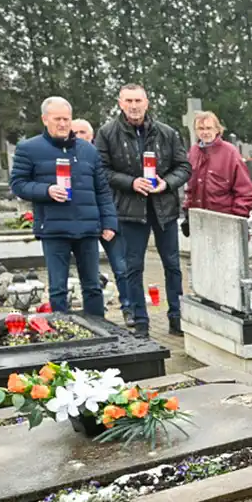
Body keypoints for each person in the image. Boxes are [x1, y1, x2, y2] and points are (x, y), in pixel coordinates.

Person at [95, 83, 191, 336]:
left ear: (147, 103)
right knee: (132, 268)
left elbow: (183, 167)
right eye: (129, 101)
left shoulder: (167, 133)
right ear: (120, 103)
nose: (134, 106)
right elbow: (102, 170)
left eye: (138, 101)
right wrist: (131, 182)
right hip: (129, 210)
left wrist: (166, 183)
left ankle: (177, 318)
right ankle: (140, 321)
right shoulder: (107, 133)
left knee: (172, 265)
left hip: (164, 209)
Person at [8, 96, 117, 317]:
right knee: (58, 288)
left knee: (93, 286)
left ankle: (99, 329)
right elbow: (18, 184)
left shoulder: (88, 150)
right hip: (54, 228)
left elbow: (102, 190)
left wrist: (109, 222)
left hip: (87, 227)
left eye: (66, 119)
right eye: (57, 119)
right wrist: (46, 190)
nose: (63, 124)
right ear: (44, 119)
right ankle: (61, 330)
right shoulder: (29, 148)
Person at [74, 116, 133, 319]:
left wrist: (110, 221)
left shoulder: (101, 158)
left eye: (83, 133)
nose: (79, 136)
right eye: (75, 133)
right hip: (83, 223)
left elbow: (111, 189)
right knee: (89, 272)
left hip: (108, 219)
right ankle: (94, 312)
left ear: (92, 136)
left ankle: (129, 307)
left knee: (121, 267)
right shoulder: (64, 158)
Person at [184, 111, 252, 218]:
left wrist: (237, 218)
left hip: (225, 216)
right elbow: (190, 187)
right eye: (201, 128)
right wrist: (187, 211)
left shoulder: (229, 152)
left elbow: (246, 192)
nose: (205, 132)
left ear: (217, 129)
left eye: (209, 128)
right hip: (199, 218)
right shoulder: (194, 151)